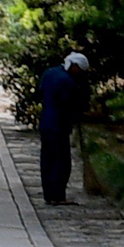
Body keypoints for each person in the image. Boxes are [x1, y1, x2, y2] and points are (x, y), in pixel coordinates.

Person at [38, 50, 89, 204]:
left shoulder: (49, 73)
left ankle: (48, 194)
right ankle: (58, 195)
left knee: (47, 158)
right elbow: (70, 105)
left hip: (45, 121)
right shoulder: (67, 82)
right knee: (61, 160)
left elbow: (40, 93)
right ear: (74, 66)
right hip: (59, 124)